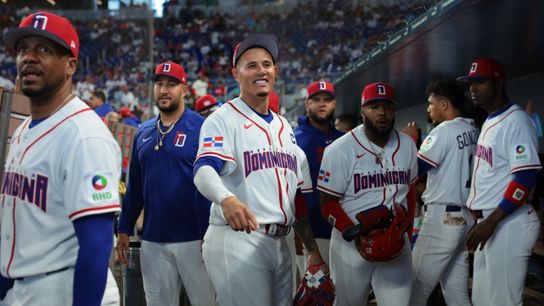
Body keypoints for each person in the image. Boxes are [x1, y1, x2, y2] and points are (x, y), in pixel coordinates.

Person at [193, 34, 328, 306]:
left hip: (281, 242)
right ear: (236, 73)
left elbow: (296, 198)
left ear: (275, 71)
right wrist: (226, 198)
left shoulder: (283, 126)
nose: (261, 71)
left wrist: (312, 251)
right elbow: (204, 169)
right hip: (240, 239)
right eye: (251, 65)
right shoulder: (222, 119)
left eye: (266, 64)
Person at [0, 11, 121, 305]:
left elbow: (97, 245)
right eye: (23, 50)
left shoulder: (85, 135)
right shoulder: (25, 128)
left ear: (70, 65)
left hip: (66, 289)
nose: (28, 57)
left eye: (43, 49)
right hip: (23, 287)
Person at [115, 61, 216, 306]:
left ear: (184, 89)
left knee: (206, 302)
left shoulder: (201, 128)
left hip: (195, 239)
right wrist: (124, 228)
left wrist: (208, 234)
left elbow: (212, 184)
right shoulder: (143, 131)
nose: (163, 90)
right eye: (159, 84)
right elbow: (134, 187)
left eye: (171, 84)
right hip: (153, 239)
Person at [318, 82, 417, 306]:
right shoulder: (339, 149)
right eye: (374, 106)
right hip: (351, 244)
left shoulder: (408, 145)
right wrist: (354, 233)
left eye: (387, 106)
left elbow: (410, 192)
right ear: (363, 110)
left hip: (395, 242)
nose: (382, 112)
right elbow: (327, 203)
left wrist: (406, 234)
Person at [460, 58, 541, 305]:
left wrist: (491, 221)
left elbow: (526, 177)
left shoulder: (516, 120)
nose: (473, 88)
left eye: (481, 82)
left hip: (508, 223)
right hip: (491, 222)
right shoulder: (490, 120)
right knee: (483, 300)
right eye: (471, 83)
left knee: (503, 301)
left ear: (499, 83)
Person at [408, 79, 477, 306]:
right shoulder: (472, 130)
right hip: (464, 217)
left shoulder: (444, 130)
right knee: (457, 295)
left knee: (413, 291)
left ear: (445, 104)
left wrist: (410, 141)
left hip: (442, 218)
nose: (428, 108)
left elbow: (414, 171)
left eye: (431, 103)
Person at [294, 80, 344, 266]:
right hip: (311, 232)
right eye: (316, 99)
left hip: (344, 229)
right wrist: (298, 233)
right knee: (315, 292)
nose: (322, 103)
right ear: (308, 104)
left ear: (334, 104)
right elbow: (291, 190)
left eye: (327, 99)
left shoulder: (344, 139)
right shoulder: (294, 139)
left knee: (345, 293)